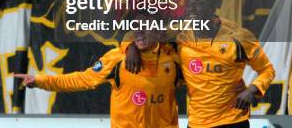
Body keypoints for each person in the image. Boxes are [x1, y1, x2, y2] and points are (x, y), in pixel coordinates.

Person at [125, 0, 275, 128]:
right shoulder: (180, 32)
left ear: (214, 7)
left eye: (199, 4)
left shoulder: (238, 37)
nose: (192, 9)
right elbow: (141, 33)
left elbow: (267, 70)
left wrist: (251, 90)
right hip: (198, 122)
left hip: (233, 119)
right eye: (190, 4)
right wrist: (130, 47)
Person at [15, 14, 182, 128]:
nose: (139, 32)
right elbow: (82, 79)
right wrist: (40, 81)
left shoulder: (174, 60)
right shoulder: (117, 59)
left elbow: (201, 81)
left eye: (145, 27)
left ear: (158, 31)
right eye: (136, 27)